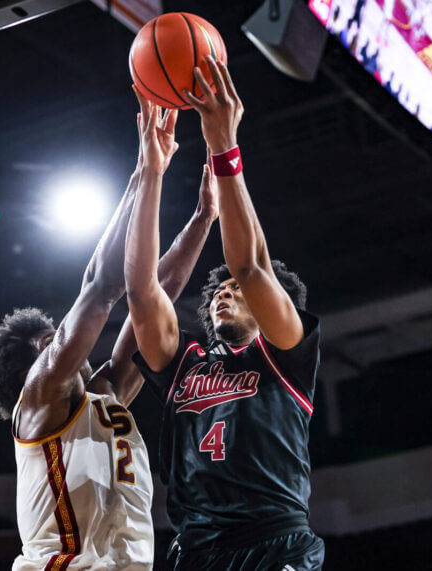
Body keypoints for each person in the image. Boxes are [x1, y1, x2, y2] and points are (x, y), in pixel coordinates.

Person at [0, 106, 218, 570]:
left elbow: (152, 298)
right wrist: (147, 173)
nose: (66, 339)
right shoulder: (40, 400)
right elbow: (100, 288)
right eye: (53, 337)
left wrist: (204, 217)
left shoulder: (107, 396)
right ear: (40, 357)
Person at [125, 57, 325, 570]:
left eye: (235, 291)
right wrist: (151, 174)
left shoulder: (284, 351)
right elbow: (142, 291)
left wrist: (222, 147)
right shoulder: (185, 365)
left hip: (275, 541)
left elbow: (252, 266)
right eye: (219, 290)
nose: (223, 292)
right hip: (196, 551)